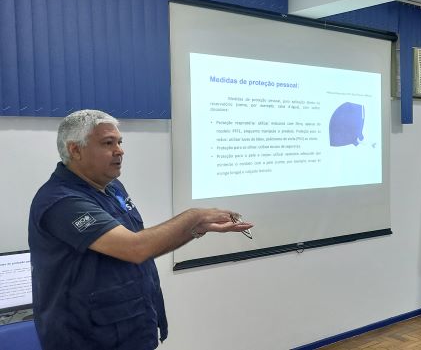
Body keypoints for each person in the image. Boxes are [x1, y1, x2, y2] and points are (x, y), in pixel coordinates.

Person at [27, 109, 253, 350]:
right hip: (88, 339)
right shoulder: (62, 201)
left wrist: (196, 228)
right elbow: (135, 248)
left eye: (119, 142)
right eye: (108, 143)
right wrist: (193, 215)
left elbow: (143, 246)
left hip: (131, 327)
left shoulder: (113, 188)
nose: (119, 150)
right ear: (75, 150)